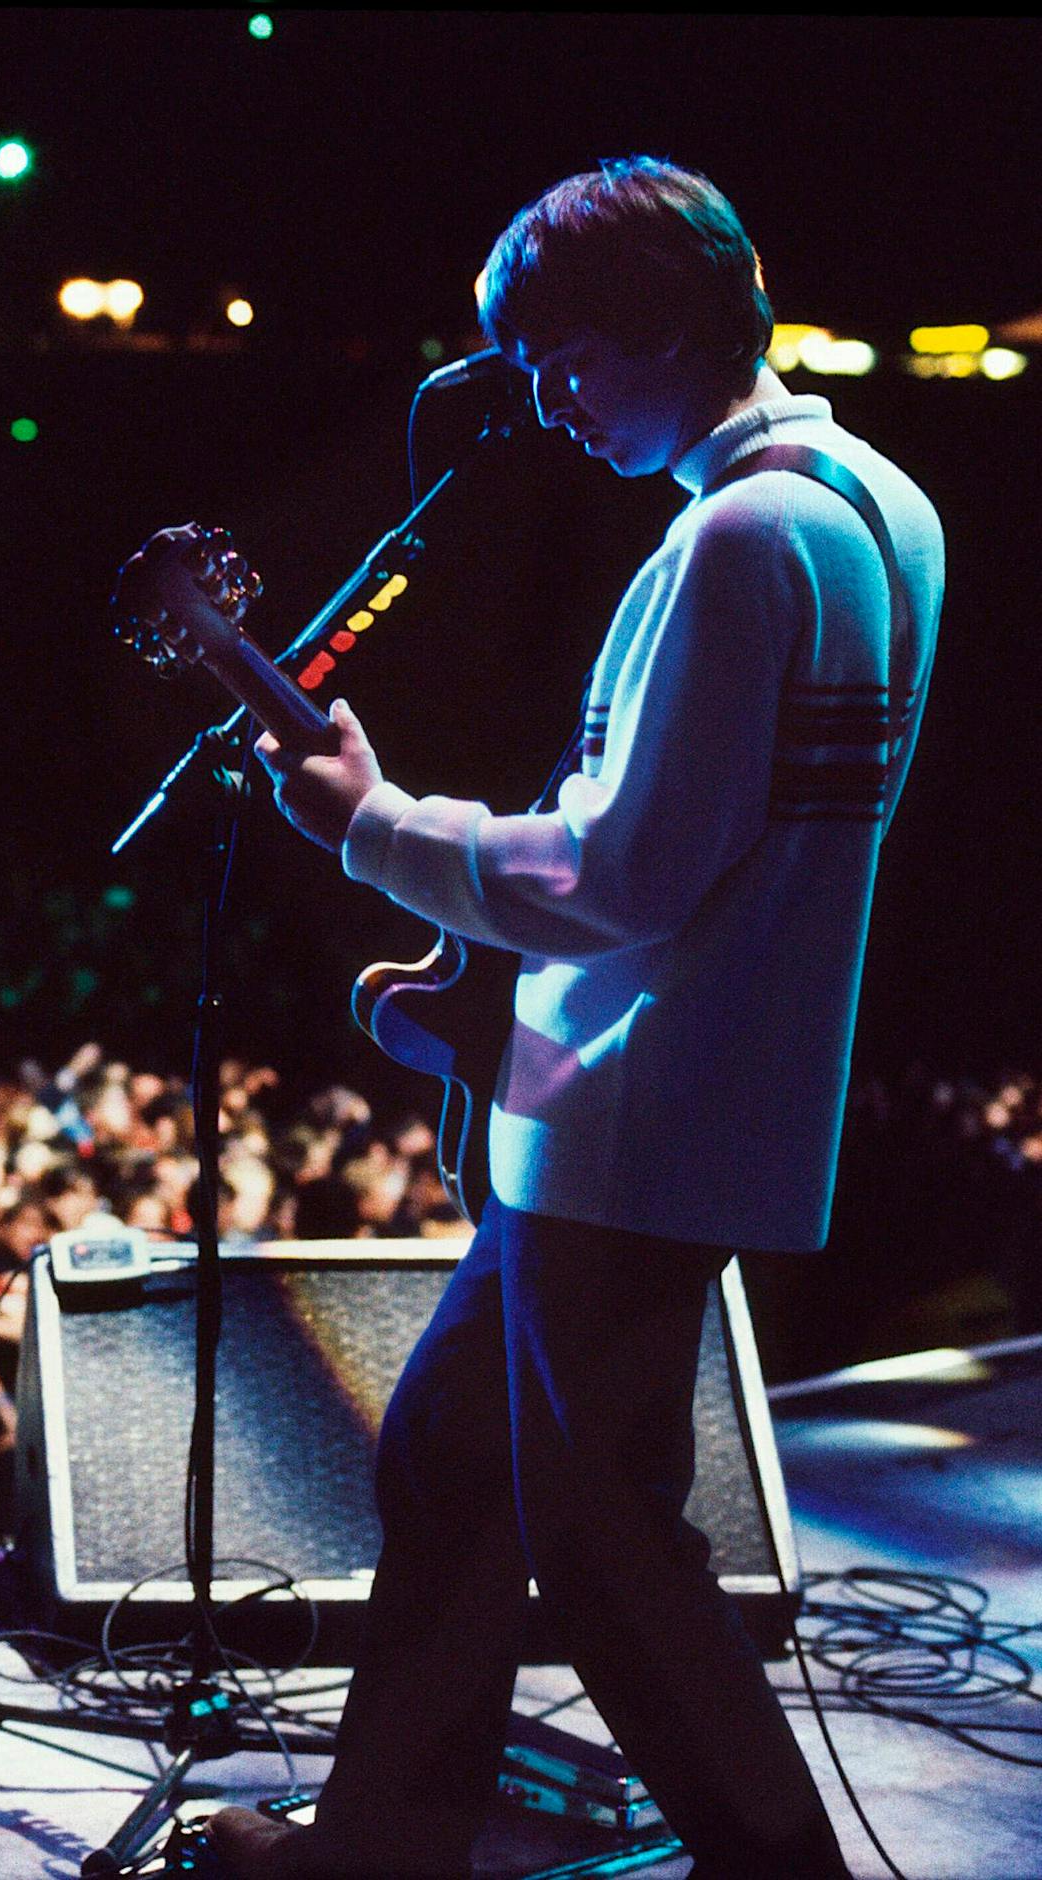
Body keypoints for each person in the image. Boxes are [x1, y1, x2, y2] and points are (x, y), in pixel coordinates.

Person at [206, 158, 943, 1880]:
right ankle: (377, 1845)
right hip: (688, 1097)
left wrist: (372, 826)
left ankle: (778, 1866)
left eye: (562, 358)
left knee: (611, 1559)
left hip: (633, 1116)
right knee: (459, 1466)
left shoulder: (740, 541)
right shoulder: (884, 503)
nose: (541, 401)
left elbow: (617, 875)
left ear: (670, 328)